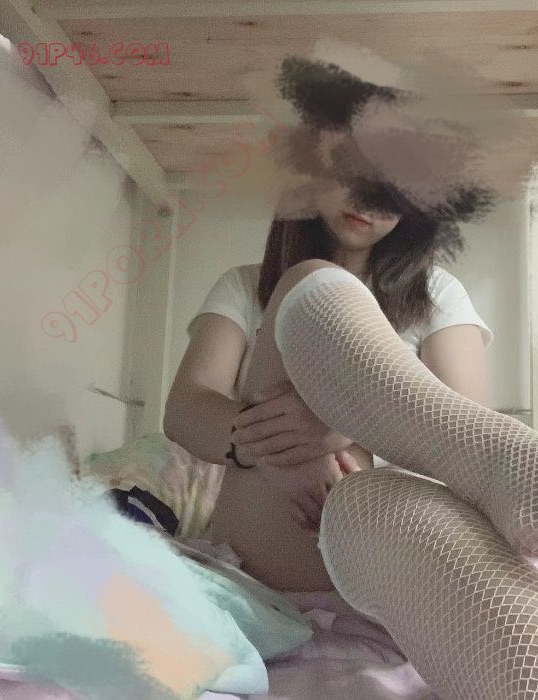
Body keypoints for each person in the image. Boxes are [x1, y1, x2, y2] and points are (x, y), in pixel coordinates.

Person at [163, 176, 493, 593]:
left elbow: (468, 438)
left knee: (310, 283)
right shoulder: (244, 286)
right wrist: (283, 453)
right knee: (306, 281)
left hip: (386, 539)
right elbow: (185, 408)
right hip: (263, 546)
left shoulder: (436, 294)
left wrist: (345, 423)